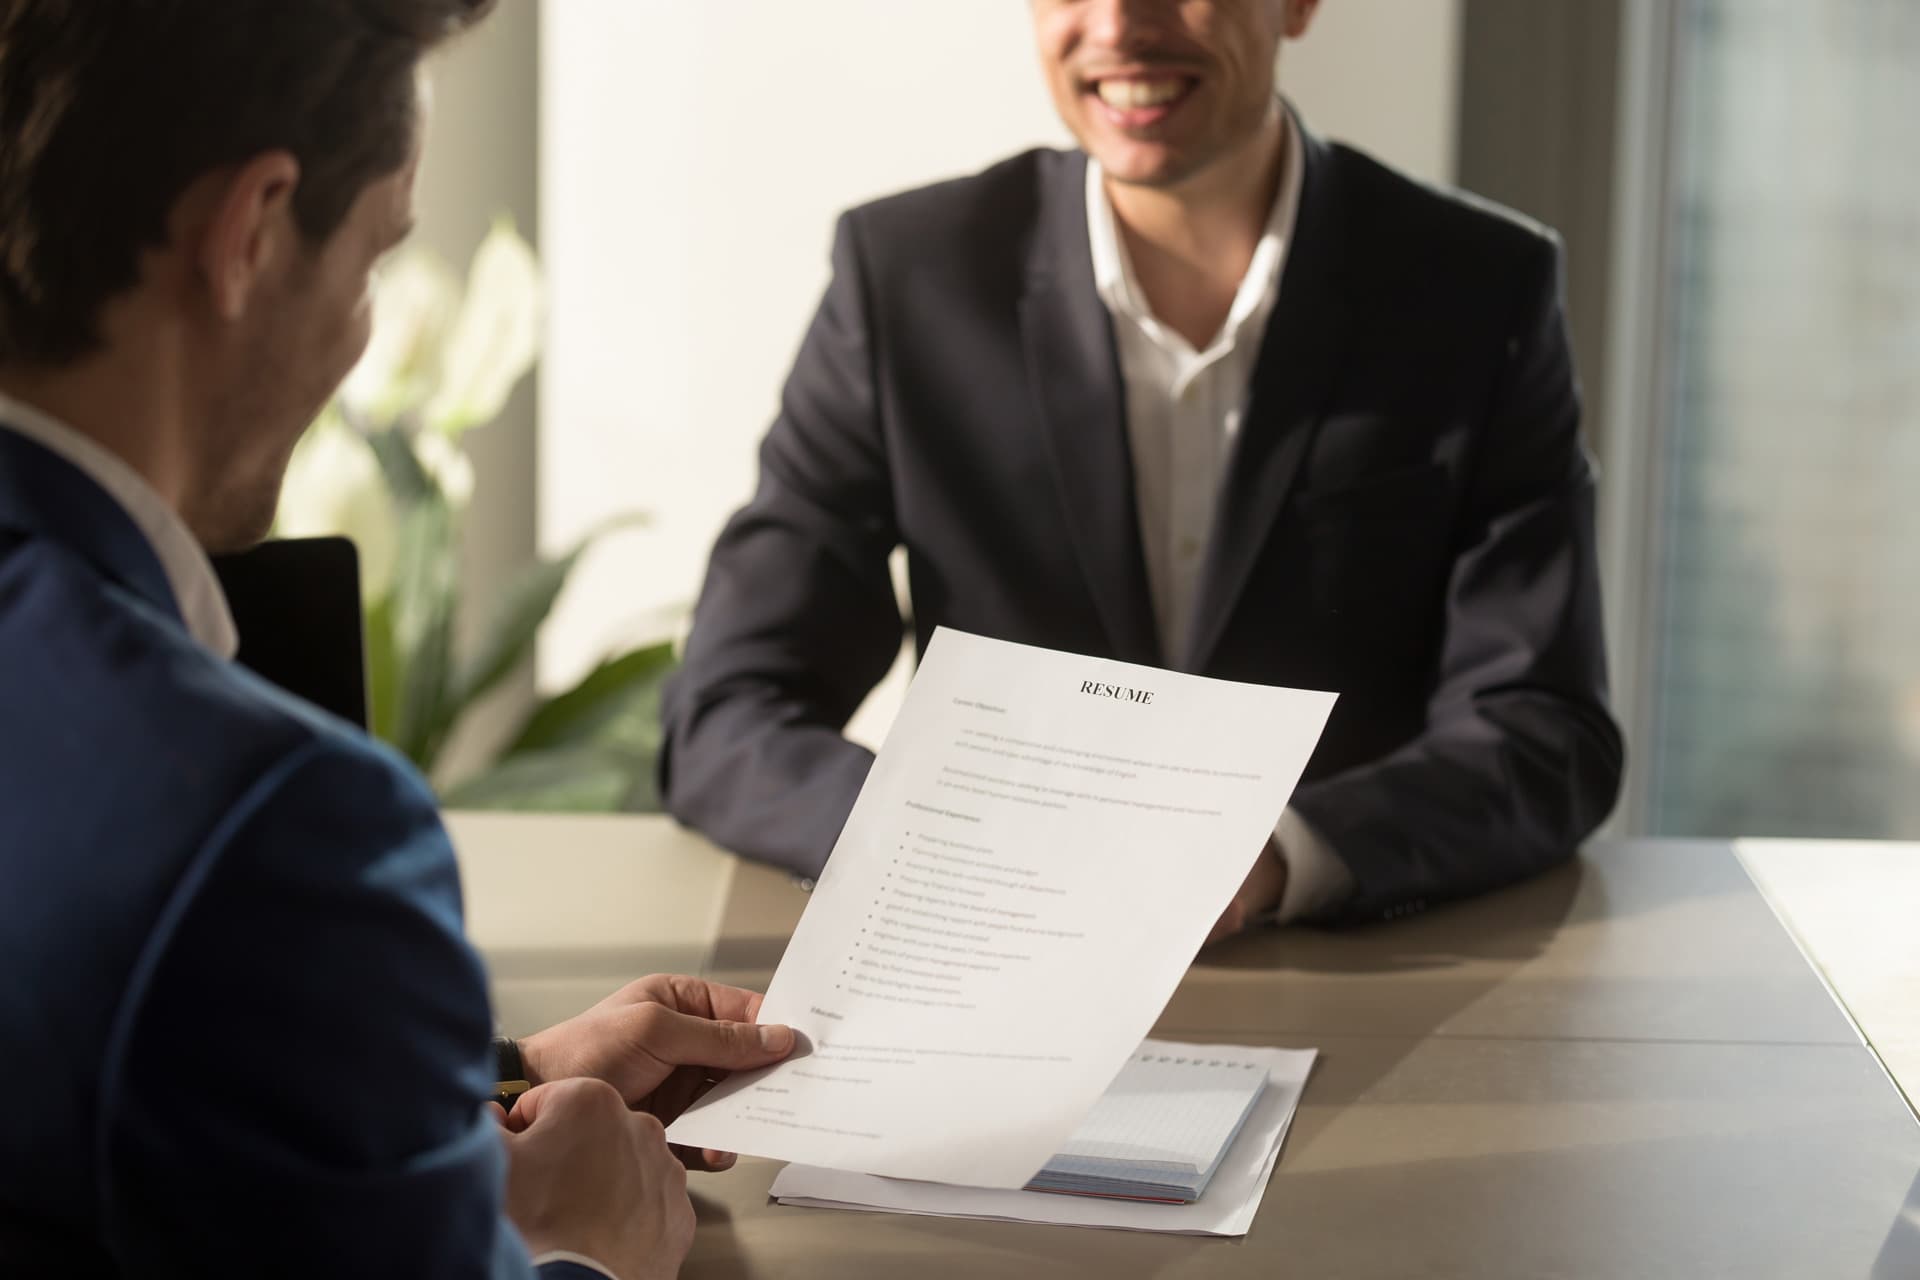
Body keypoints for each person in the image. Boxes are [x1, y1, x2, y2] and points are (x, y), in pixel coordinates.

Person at [0, 4, 791, 1277]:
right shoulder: (267, 816)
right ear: (251, 234)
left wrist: (496, 1074)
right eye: (373, 258)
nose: (363, 335)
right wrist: (584, 1246)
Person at [660, 0, 1625, 933]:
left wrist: (1286, 854)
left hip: (1349, 970)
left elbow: (1545, 730)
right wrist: (940, 840)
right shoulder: (907, 281)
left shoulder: (1479, 290)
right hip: (986, 973)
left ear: (1298, 4)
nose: (1119, 25)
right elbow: (729, 710)